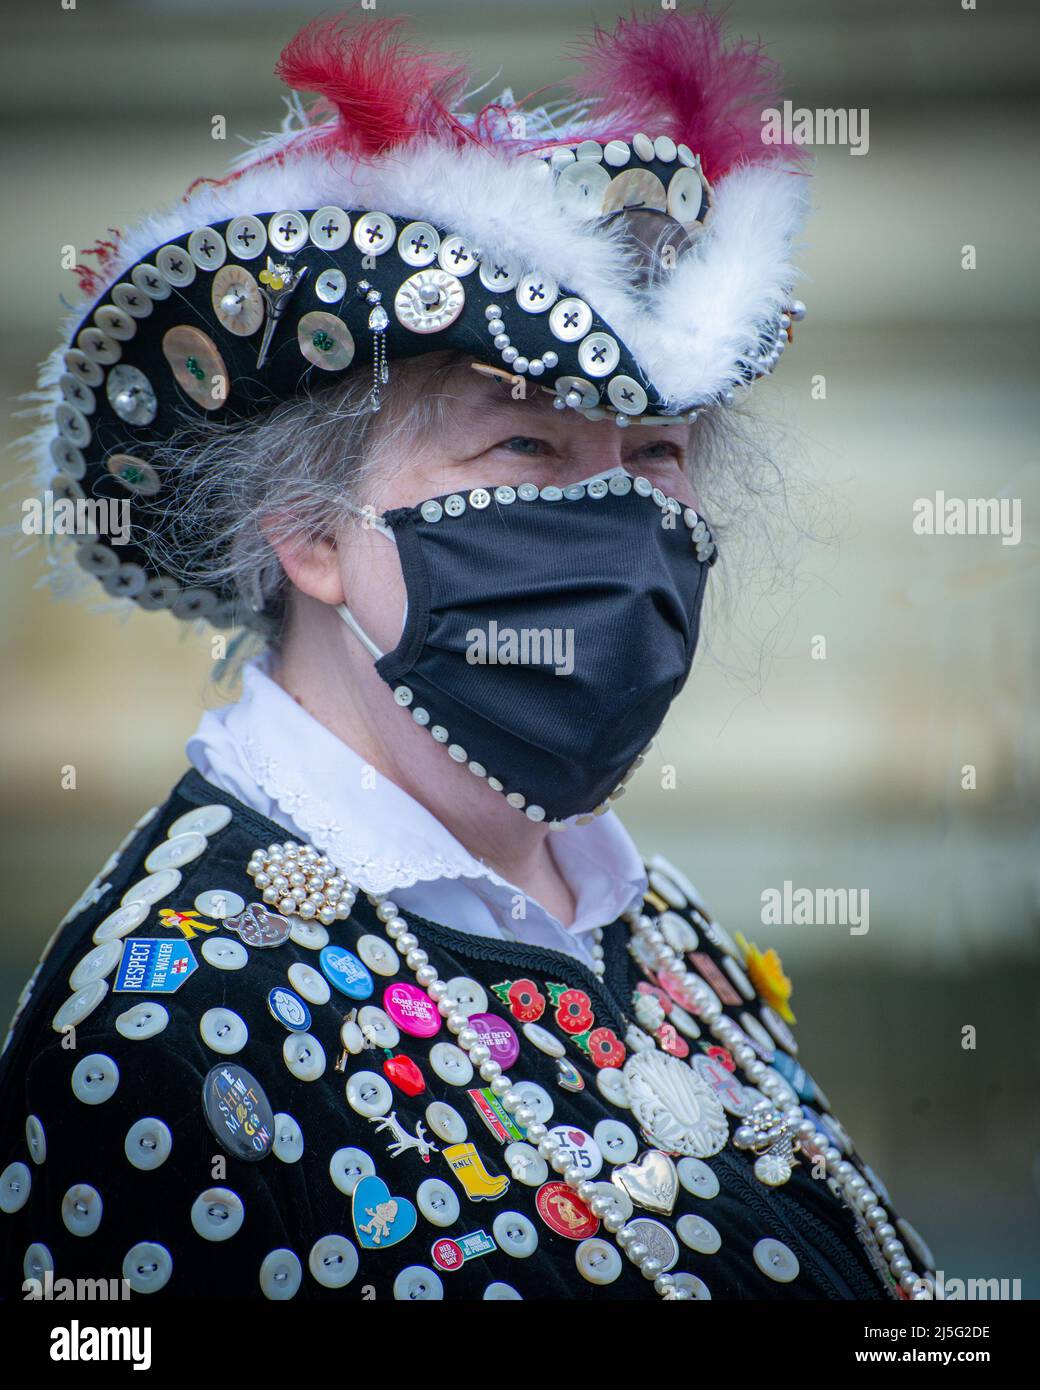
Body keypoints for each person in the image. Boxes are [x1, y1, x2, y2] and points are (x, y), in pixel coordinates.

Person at [0, 9, 936, 1301]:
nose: (623, 522)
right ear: (308, 526)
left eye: (658, 456)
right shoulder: (150, 1033)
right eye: (526, 449)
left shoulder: (665, 928)